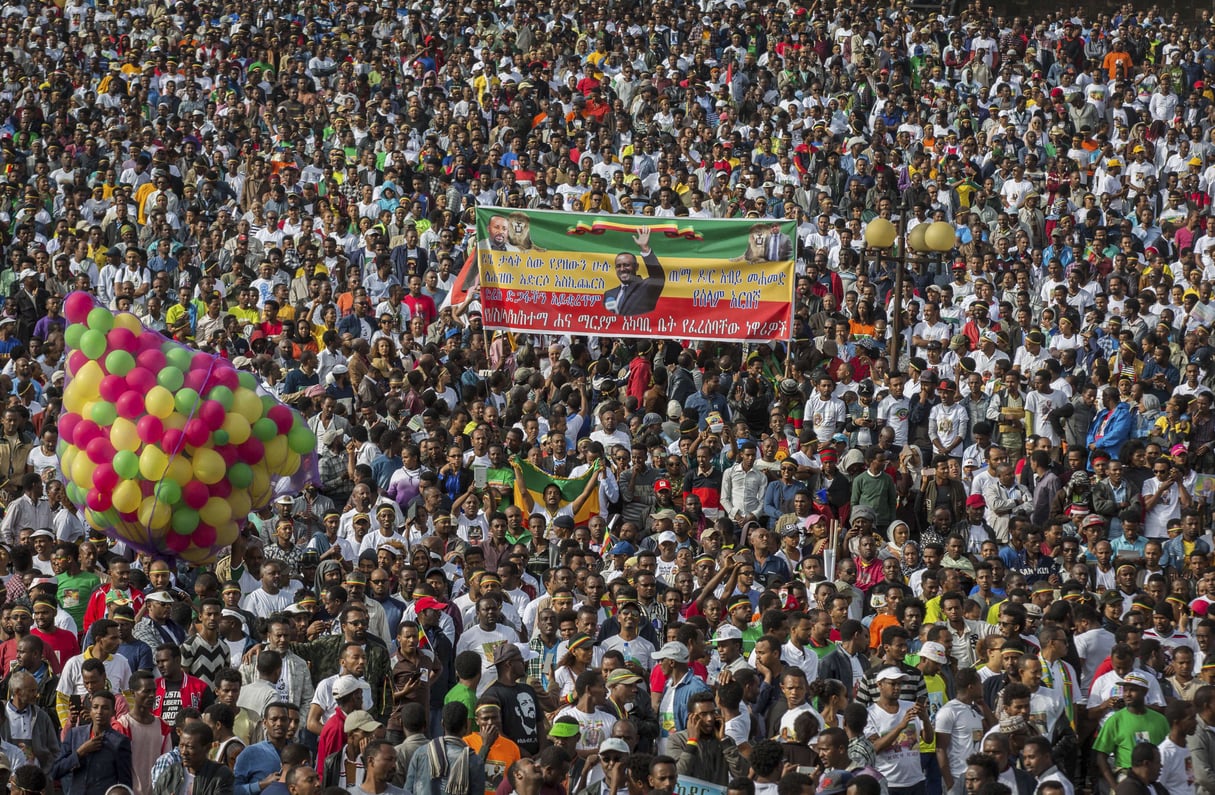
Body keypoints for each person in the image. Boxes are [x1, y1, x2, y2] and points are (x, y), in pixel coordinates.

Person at [50, 691, 133, 795]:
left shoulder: (119, 741)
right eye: (95, 707)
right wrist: (79, 753)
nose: (99, 712)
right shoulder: (75, 734)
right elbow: (55, 771)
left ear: (113, 712)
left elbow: (125, 783)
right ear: (90, 710)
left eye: (105, 708)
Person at [403, 702, 486, 795]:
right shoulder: (473, 761)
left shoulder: (421, 753)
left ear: (442, 724)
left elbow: (407, 791)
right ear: (466, 726)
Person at [148, 721, 234, 795]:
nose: (184, 752)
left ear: (207, 748)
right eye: (181, 746)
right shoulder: (170, 774)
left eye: (190, 747)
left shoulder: (220, 776)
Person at [603, 228, 665, 316]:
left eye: (626, 265)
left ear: (636, 267)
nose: (622, 269)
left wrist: (645, 249)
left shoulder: (646, 287)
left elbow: (658, 277)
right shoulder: (609, 294)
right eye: (618, 266)